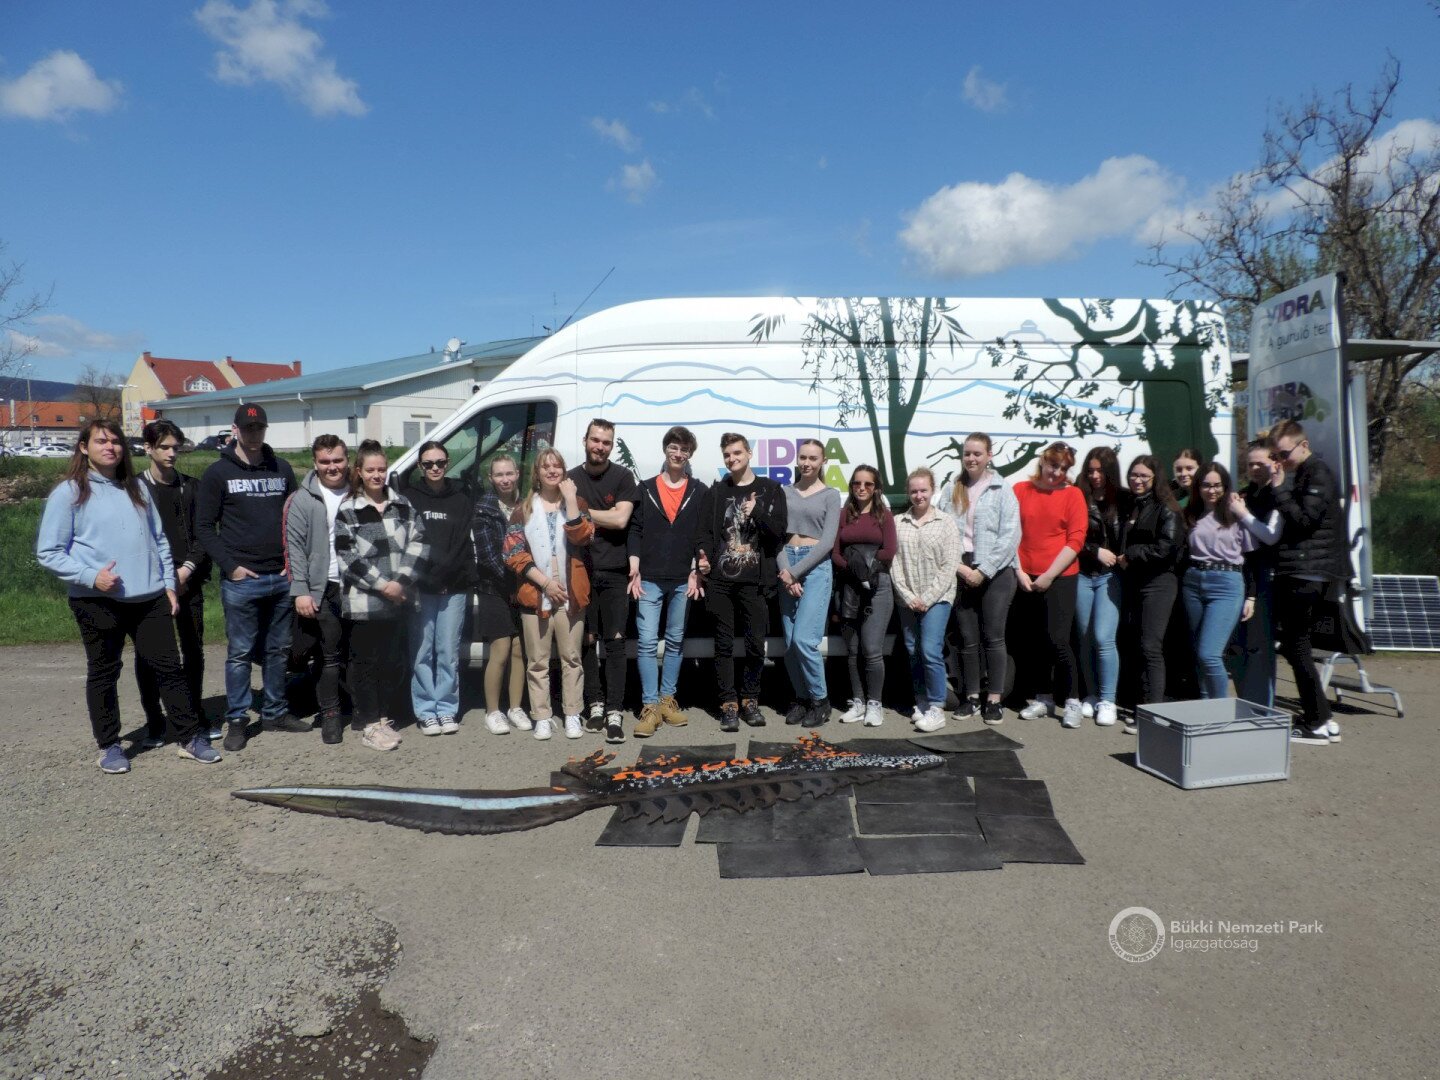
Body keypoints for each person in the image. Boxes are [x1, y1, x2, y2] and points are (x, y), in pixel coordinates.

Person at [37, 419, 219, 771]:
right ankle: (109, 745)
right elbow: (50, 552)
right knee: (104, 672)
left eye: (116, 441)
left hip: (149, 598)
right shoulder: (70, 492)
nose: (110, 447)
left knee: (169, 668)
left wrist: (168, 584)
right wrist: (91, 576)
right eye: (101, 441)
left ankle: (189, 737)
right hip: (97, 600)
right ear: (84, 447)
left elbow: (159, 541)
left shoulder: (135, 489)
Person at [196, 403, 306, 752]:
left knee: (279, 650)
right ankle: (238, 719)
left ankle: (275, 712)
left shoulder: (281, 468)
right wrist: (231, 566)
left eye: (259, 428)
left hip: (281, 576)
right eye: (247, 429)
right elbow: (204, 527)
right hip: (243, 580)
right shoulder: (218, 473)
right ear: (236, 430)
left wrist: (293, 563)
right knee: (240, 653)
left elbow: (295, 518)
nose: (254, 434)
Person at [334, 440, 428, 752]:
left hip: (397, 601)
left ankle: (383, 717)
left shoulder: (402, 505)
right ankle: (369, 723)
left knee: (391, 663)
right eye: (371, 470)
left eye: (382, 469)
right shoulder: (348, 510)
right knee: (365, 665)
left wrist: (401, 582)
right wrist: (383, 585)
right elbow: (348, 558)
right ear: (359, 472)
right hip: (364, 604)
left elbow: (420, 543)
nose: (377, 475)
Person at [696, 432, 787, 733]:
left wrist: (757, 511)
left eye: (737, 453)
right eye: (727, 455)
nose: (732, 459)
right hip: (720, 581)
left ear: (749, 453)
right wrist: (702, 557)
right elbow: (704, 533)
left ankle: (750, 700)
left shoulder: (770, 490)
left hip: (755, 582)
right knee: (723, 645)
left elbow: (778, 533)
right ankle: (728, 704)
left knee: (754, 645)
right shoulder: (717, 492)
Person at [505, 448, 594, 741]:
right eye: (546, 467)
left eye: (557, 466)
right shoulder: (524, 508)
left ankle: (572, 714)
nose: (552, 471)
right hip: (536, 593)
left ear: (564, 471)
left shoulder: (578, 503)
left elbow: (583, 537)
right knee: (537, 661)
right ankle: (542, 716)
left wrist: (571, 500)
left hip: (571, 594)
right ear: (537, 473)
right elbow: (513, 553)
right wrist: (545, 584)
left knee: (572, 658)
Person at [1268, 420, 1346, 745]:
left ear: (1304, 445)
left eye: (1284, 454)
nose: (1280, 461)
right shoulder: (1304, 473)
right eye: (1276, 455)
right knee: (1296, 645)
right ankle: (1322, 718)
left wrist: (1279, 488)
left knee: (1295, 645)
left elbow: (1304, 520)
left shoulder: (1317, 473)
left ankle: (1316, 721)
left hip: (1308, 572)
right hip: (1303, 570)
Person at [627, 426, 707, 739]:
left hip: (683, 579)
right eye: (674, 447)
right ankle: (649, 706)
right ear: (665, 450)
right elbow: (635, 529)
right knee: (647, 642)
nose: (678, 454)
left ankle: (667, 701)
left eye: (684, 449)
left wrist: (697, 567)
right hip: (648, 578)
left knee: (675, 641)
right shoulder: (645, 488)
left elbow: (702, 534)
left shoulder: (698, 491)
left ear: (690, 455)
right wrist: (634, 564)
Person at [136, 419, 212, 744]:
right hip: (150, 585)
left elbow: (204, 534)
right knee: (149, 655)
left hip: (187, 580)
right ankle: (155, 719)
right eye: (164, 447)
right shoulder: (134, 489)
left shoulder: (192, 487)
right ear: (148, 448)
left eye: (175, 448)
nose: (171, 453)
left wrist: (185, 571)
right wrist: (163, 578)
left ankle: (195, 714)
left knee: (193, 649)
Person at [938, 433, 1020, 726]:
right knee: (967, 639)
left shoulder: (1001, 489)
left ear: (989, 456)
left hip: (996, 572)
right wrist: (962, 569)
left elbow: (1011, 535)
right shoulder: (952, 488)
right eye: (967, 453)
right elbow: (943, 531)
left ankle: (994, 700)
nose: (971, 459)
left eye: (977, 453)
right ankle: (971, 697)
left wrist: (983, 570)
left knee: (993, 637)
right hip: (962, 569)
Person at [568, 419, 641, 743]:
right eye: (595, 440)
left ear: (612, 445)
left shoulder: (623, 477)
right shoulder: (571, 478)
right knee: (586, 640)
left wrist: (580, 510)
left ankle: (615, 710)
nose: (600, 446)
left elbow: (621, 518)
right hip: (580, 570)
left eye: (606, 442)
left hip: (614, 570)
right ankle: (594, 704)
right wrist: (602, 513)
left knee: (615, 641)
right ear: (585, 440)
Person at [1012, 442, 1088, 728]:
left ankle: (1072, 700)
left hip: (1060, 577)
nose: (1057, 472)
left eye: (1064, 468)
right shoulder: (1021, 490)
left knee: (1058, 639)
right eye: (1054, 465)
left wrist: (1049, 575)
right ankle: (1043, 698)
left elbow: (1075, 540)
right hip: (1025, 575)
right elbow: (1011, 533)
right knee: (1035, 640)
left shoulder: (1073, 495)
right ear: (1043, 461)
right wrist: (1020, 571)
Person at [406, 441, 476, 736]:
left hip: (453, 586)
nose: (435, 468)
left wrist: (445, 577)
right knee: (422, 650)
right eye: (428, 463)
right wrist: (427, 577)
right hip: (421, 586)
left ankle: (446, 708)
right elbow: (410, 541)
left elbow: (461, 544)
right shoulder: (410, 497)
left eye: (440, 462)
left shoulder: (461, 497)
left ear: (448, 463)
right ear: (420, 466)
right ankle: (425, 710)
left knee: (447, 651)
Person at [284, 434, 351, 744]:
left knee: (358, 652)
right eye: (325, 462)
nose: (332, 466)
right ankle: (330, 714)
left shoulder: (359, 491)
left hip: (358, 586)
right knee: (329, 655)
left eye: (337, 460)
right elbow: (294, 548)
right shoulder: (303, 499)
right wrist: (301, 590)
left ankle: (360, 707)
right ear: (315, 463)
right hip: (323, 586)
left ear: (347, 460)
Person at [891, 467, 962, 733]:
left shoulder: (946, 523)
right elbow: (894, 564)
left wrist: (928, 598)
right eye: (914, 491)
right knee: (912, 650)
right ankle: (920, 700)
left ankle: (936, 707)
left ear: (932, 491)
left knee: (931, 650)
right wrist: (909, 596)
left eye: (923, 490)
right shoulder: (898, 522)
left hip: (938, 598)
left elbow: (949, 564)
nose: (919, 495)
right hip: (907, 599)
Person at [777, 439, 842, 728]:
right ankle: (801, 699)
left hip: (815, 567)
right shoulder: (784, 492)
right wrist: (787, 572)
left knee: (805, 639)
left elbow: (827, 542)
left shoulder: (830, 495)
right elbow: (778, 537)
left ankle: (820, 700)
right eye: (803, 457)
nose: (807, 463)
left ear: (822, 461)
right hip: (787, 563)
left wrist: (796, 572)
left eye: (813, 458)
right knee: (791, 643)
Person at [1117, 453, 1184, 730]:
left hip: (1159, 582)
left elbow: (1167, 548)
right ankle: (1141, 705)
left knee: (1151, 647)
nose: (1138, 480)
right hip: (1135, 581)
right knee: (1137, 645)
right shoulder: (1133, 504)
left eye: (1144, 475)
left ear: (1155, 478)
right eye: (1134, 474)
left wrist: (1132, 554)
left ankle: (1153, 713)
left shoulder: (1166, 507)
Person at [1181, 463, 1256, 699]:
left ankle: (1220, 708)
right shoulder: (1191, 514)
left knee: (1209, 654)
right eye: (1206, 485)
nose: (1211, 490)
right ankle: (1206, 707)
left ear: (1225, 487)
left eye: (1217, 485)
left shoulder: (1236, 513)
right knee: (1198, 653)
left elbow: (1252, 559)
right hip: (1193, 581)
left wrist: (1251, 596)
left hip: (1226, 583)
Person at [832, 465, 896, 728]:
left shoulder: (884, 515)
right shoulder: (843, 514)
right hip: (848, 587)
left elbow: (889, 551)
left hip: (877, 587)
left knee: (871, 650)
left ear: (876, 488)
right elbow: (835, 553)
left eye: (868, 484)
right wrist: (853, 567)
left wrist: (863, 562)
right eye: (857, 483)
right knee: (852, 650)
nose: (862, 488)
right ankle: (858, 703)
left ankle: (875, 704)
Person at [473, 454, 530, 735]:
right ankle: (493, 711)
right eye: (499, 475)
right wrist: (515, 582)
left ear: (517, 474)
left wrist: (524, 582)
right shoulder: (483, 509)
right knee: (501, 650)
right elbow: (488, 556)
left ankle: (515, 707)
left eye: (509, 473)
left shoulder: (527, 505)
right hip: (493, 587)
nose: (505, 479)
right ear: (491, 478)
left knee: (520, 650)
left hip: (522, 587)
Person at [1228, 439, 1283, 708]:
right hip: (1242, 576)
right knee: (1237, 647)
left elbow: (1270, 536)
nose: (1255, 469)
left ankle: (1262, 710)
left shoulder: (1278, 495)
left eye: (1261, 463)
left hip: (1266, 579)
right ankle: (1246, 703)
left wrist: (1242, 513)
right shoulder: (1245, 494)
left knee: (1259, 647)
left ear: (1275, 463)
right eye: (1250, 464)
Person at [1076, 447, 1128, 728]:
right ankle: (1092, 694)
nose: (1095, 476)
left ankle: (1108, 700)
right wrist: (1095, 550)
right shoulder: (1078, 496)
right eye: (1091, 470)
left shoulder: (1124, 498)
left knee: (1103, 637)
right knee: (1085, 637)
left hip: (1110, 577)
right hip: (1083, 574)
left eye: (1100, 471)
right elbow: (1071, 535)